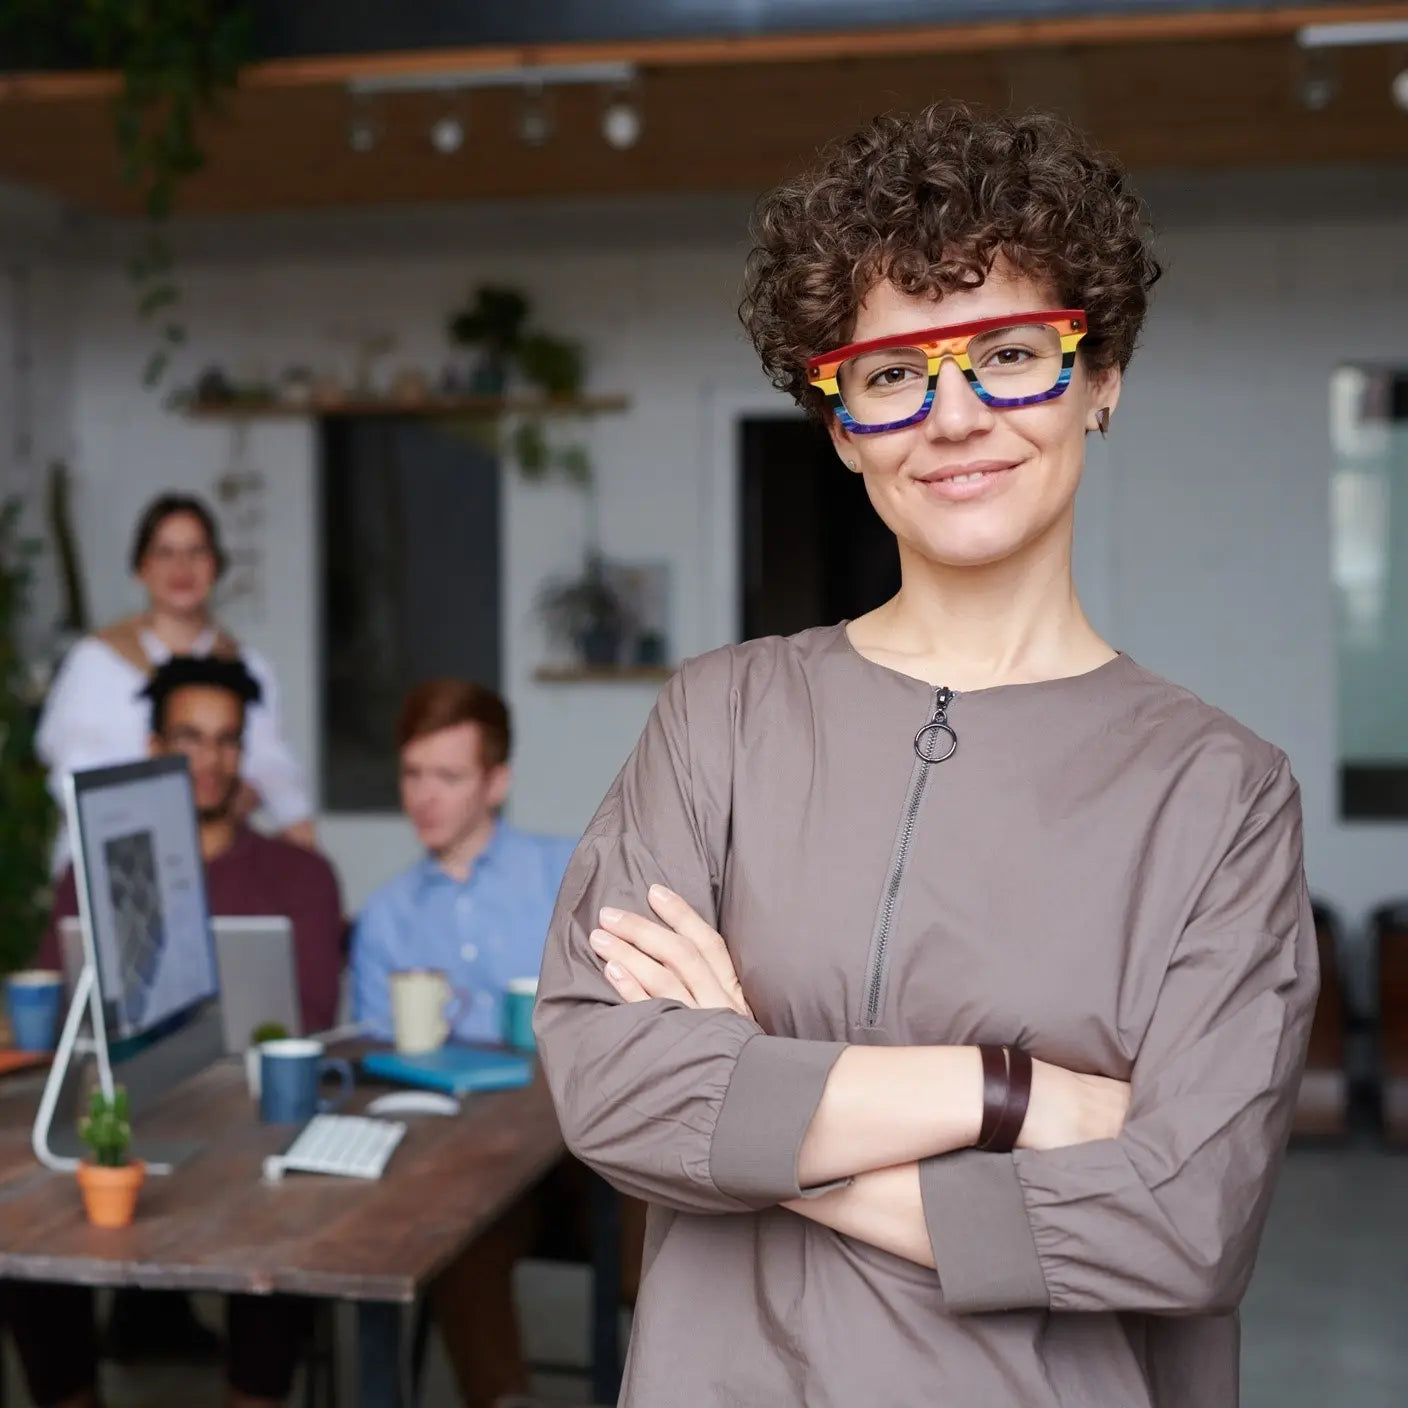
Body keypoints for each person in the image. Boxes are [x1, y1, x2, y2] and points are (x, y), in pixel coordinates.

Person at [534, 103, 1318, 1408]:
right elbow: (617, 1095)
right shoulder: (717, 721)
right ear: (843, 423)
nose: (954, 416)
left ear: (1103, 375)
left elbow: (1183, 1223)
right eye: (893, 372)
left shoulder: (1220, 794)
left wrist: (756, 1107)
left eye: (1012, 352)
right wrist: (1011, 1099)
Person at [20, 654, 344, 1406]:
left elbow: (316, 1018)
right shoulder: (93, 872)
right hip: (126, 1110)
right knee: (30, 1236)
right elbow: (62, 1012)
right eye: (190, 738)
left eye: (227, 740)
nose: (210, 759)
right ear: (155, 749)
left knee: (282, 1211)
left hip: (249, 1120)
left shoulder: (301, 876)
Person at [352, 680, 636, 1408]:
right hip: (471, 1162)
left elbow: (623, 1009)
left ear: (496, 782)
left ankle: (677, 1371)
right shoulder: (385, 918)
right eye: (413, 775)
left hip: (580, 1151)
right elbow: (368, 1062)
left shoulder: (564, 872)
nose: (425, 796)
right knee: (453, 1223)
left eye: (447, 777)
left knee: (651, 1175)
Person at [36, 492, 314, 873]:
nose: (181, 567)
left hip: (215, 867)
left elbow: (276, 776)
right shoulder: (96, 661)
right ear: (141, 568)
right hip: (110, 862)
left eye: (196, 552)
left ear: (215, 565)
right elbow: (74, 776)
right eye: (165, 553)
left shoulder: (247, 668)